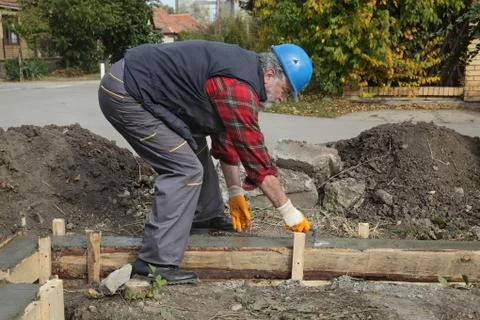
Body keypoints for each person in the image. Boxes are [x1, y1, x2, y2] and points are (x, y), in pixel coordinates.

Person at [98, 40, 313, 284]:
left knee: (195, 145)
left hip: (139, 85)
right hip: (126, 93)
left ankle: (205, 216)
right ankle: (154, 264)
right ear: (270, 74)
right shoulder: (238, 86)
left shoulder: (243, 74)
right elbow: (255, 157)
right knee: (184, 169)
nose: (283, 99)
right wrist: (288, 211)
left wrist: (235, 193)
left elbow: (227, 138)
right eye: (285, 91)